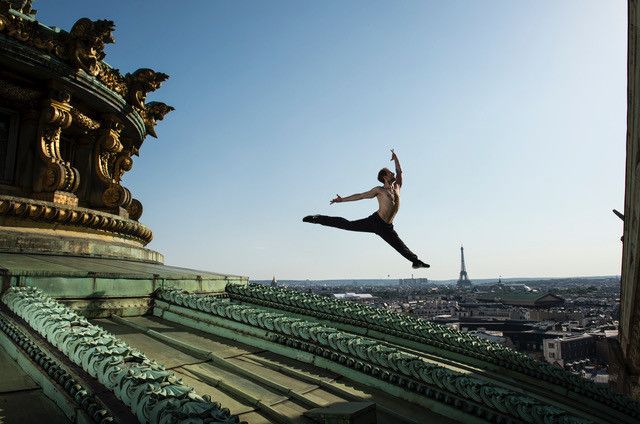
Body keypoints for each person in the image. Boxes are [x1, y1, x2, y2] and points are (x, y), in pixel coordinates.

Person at [303, 149, 430, 269]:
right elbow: (361, 196)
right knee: (347, 224)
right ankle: (317, 218)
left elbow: (400, 172)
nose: (393, 173)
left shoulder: (397, 186)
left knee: (399, 245)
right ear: (385, 177)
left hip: (387, 227)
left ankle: (416, 262)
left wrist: (396, 158)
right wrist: (342, 200)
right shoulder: (379, 190)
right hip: (375, 221)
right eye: (390, 172)